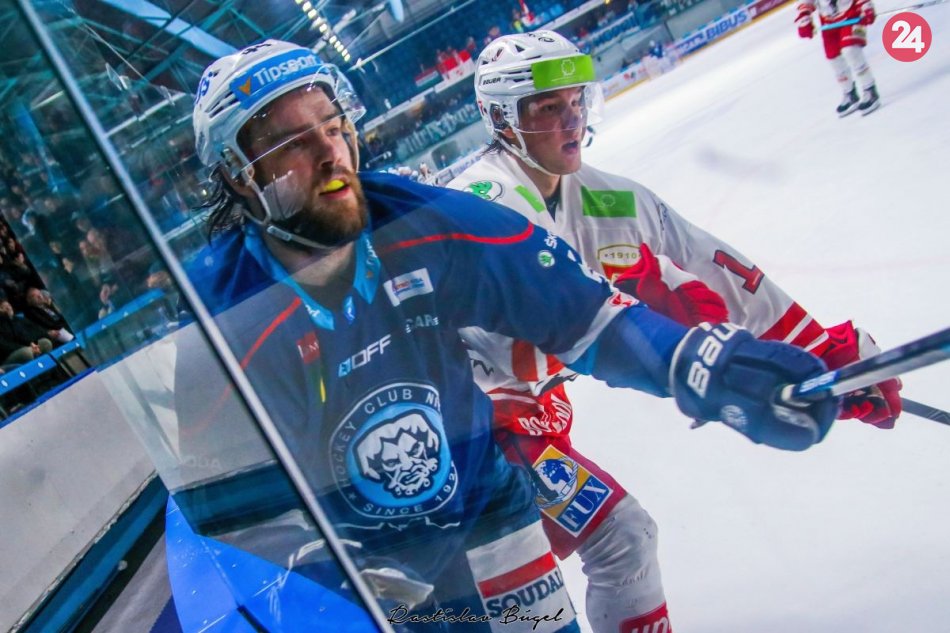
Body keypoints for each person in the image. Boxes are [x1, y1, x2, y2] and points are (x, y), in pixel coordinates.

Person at [180, 39, 838, 631]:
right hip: (376, 564)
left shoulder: (422, 221)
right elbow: (239, 518)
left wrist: (698, 362)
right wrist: (328, 586)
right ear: (240, 174)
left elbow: (580, 314)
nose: (332, 154)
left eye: (334, 126)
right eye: (294, 144)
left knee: (613, 548)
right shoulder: (221, 322)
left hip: (485, 502)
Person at [448, 31, 902, 633]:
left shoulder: (608, 197)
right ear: (504, 121)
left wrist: (821, 353)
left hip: (527, 417)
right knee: (607, 545)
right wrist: (679, 341)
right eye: (549, 108)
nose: (572, 121)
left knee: (614, 544)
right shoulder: (484, 202)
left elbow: (715, 267)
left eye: (577, 101)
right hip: (466, 430)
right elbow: (550, 332)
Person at [795, 0, 880, 116]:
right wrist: (804, 18)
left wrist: (866, 6)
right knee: (833, 57)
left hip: (852, 13)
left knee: (851, 50)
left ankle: (870, 89)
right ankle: (849, 93)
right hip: (828, 20)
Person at [0, 298, 53, 365]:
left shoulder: (19, 320)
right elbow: (5, 346)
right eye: (3, 307)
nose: (8, 308)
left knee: (46, 343)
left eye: (9, 305)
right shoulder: (2, 325)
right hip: (9, 355)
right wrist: (28, 347)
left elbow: (36, 331)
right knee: (27, 353)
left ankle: (47, 369)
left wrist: (33, 344)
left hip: (28, 346)